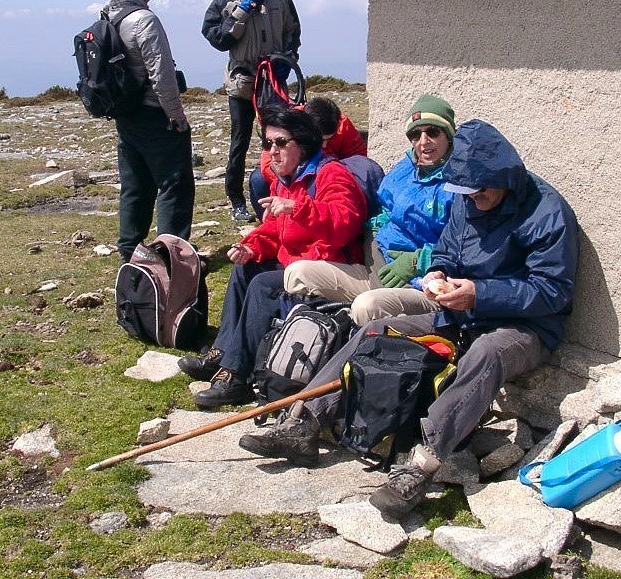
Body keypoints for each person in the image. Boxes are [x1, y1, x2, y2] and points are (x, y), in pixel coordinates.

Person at [239, 119, 580, 518]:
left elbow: (552, 291)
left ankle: (422, 464)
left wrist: (479, 294)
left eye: (478, 192)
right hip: (460, 312)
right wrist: (437, 273)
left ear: (500, 177)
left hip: (525, 326)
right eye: (465, 193)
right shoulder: (467, 199)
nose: (472, 200)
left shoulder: (546, 212)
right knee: (374, 329)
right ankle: (305, 420)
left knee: (487, 353)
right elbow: (448, 251)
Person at [178, 106, 367, 408]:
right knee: (245, 270)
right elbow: (275, 230)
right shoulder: (287, 178)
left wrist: (298, 209)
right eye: (268, 143)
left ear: (302, 143)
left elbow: (346, 223)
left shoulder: (331, 174)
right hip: (297, 261)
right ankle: (222, 354)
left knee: (264, 285)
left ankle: (237, 377)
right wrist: (252, 247)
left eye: (280, 143)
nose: (272, 151)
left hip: (328, 266)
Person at [283, 94, 456, 324]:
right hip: (379, 267)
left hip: (423, 284)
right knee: (296, 274)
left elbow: (466, 245)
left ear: (449, 134)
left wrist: (418, 261)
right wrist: (372, 236)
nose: (423, 142)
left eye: (432, 132)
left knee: (367, 306)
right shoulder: (405, 169)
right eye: (415, 134)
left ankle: (366, 334)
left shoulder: (459, 183)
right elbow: (384, 209)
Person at [202, 0, 301, 223]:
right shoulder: (224, 0)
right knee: (239, 142)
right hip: (242, 83)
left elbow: (293, 31)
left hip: (273, 81)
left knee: (280, 139)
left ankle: (283, 192)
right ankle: (236, 200)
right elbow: (217, 38)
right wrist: (241, 10)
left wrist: (287, 60)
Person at [103, 0, 193, 261]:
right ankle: (171, 257)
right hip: (155, 114)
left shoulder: (109, 16)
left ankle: (129, 253)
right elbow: (162, 76)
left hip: (126, 113)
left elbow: (132, 3)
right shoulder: (145, 21)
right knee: (174, 184)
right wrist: (177, 117)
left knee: (135, 185)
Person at [248, 97, 367, 220]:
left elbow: (358, 157)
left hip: (326, 175)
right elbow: (267, 161)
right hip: (294, 176)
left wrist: (336, 174)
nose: (324, 145)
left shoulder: (342, 125)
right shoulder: (287, 122)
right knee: (258, 179)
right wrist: (291, 183)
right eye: (320, 139)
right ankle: (270, 218)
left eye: (329, 139)